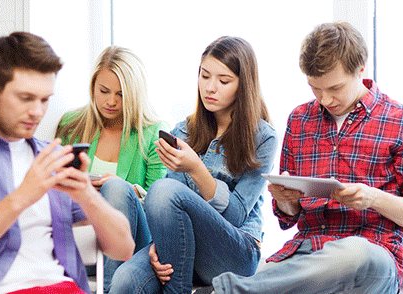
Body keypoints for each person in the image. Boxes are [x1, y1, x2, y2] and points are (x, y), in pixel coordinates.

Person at [211, 22, 403, 294]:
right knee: (276, 272)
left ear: (361, 69)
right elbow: (287, 218)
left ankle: (225, 291)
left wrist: (374, 198)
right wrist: (287, 200)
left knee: (354, 252)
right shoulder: (300, 119)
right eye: (315, 89)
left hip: (372, 256)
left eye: (335, 88)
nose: (325, 99)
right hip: (308, 256)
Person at [0, 32, 134, 294]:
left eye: (44, 100)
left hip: (62, 287)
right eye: (26, 98)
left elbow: (123, 249)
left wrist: (87, 194)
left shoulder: (52, 157)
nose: (38, 112)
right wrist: (21, 197)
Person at [109, 36, 278, 294]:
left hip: (236, 252)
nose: (210, 88)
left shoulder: (263, 137)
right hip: (182, 244)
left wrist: (196, 169)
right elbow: (165, 209)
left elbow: (236, 215)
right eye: (204, 75)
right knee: (125, 280)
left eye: (223, 81)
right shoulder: (183, 132)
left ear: (244, 85)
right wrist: (159, 245)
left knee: (165, 189)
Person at [55, 46, 167, 292]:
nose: (111, 101)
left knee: (116, 189)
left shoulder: (152, 134)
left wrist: (127, 190)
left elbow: (160, 205)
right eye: (103, 91)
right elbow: (54, 188)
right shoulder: (71, 125)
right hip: (81, 233)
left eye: (121, 94)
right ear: (93, 86)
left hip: (130, 242)